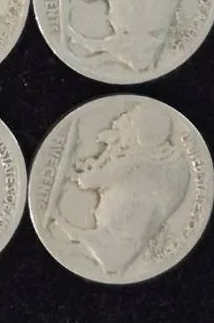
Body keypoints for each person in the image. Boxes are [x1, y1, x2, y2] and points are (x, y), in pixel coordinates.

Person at [52, 102, 188, 276]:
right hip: (135, 233)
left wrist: (72, 173)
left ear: (141, 133)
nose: (118, 123)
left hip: (120, 234)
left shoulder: (133, 162)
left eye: (129, 122)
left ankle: (81, 242)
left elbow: (88, 181)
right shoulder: (171, 161)